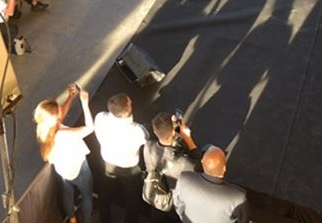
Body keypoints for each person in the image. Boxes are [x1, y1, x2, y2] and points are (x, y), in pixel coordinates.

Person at [34, 84, 94, 223]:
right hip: (79, 169)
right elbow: (90, 128)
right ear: (53, 117)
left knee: (67, 193)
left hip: (63, 170)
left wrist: (70, 97)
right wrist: (85, 104)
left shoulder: (43, 129)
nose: (61, 108)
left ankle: (72, 219)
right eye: (58, 109)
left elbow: (60, 116)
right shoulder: (63, 135)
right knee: (87, 196)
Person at [94, 93, 148, 223]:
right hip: (129, 169)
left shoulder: (100, 118)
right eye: (130, 104)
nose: (132, 103)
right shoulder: (137, 131)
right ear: (126, 112)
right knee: (132, 198)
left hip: (108, 163)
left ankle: (105, 219)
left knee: (104, 193)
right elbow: (146, 138)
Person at [143, 112, 202, 222]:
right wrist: (188, 138)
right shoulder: (183, 162)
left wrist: (175, 131)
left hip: (157, 193)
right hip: (174, 199)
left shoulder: (148, 147)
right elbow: (199, 167)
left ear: (155, 131)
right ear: (173, 132)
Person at [173, 146, 250, 223]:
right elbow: (243, 220)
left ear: (203, 162)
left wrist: (184, 219)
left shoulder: (185, 178)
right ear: (224, 169)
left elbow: (178, 204)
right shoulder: (238, 197)